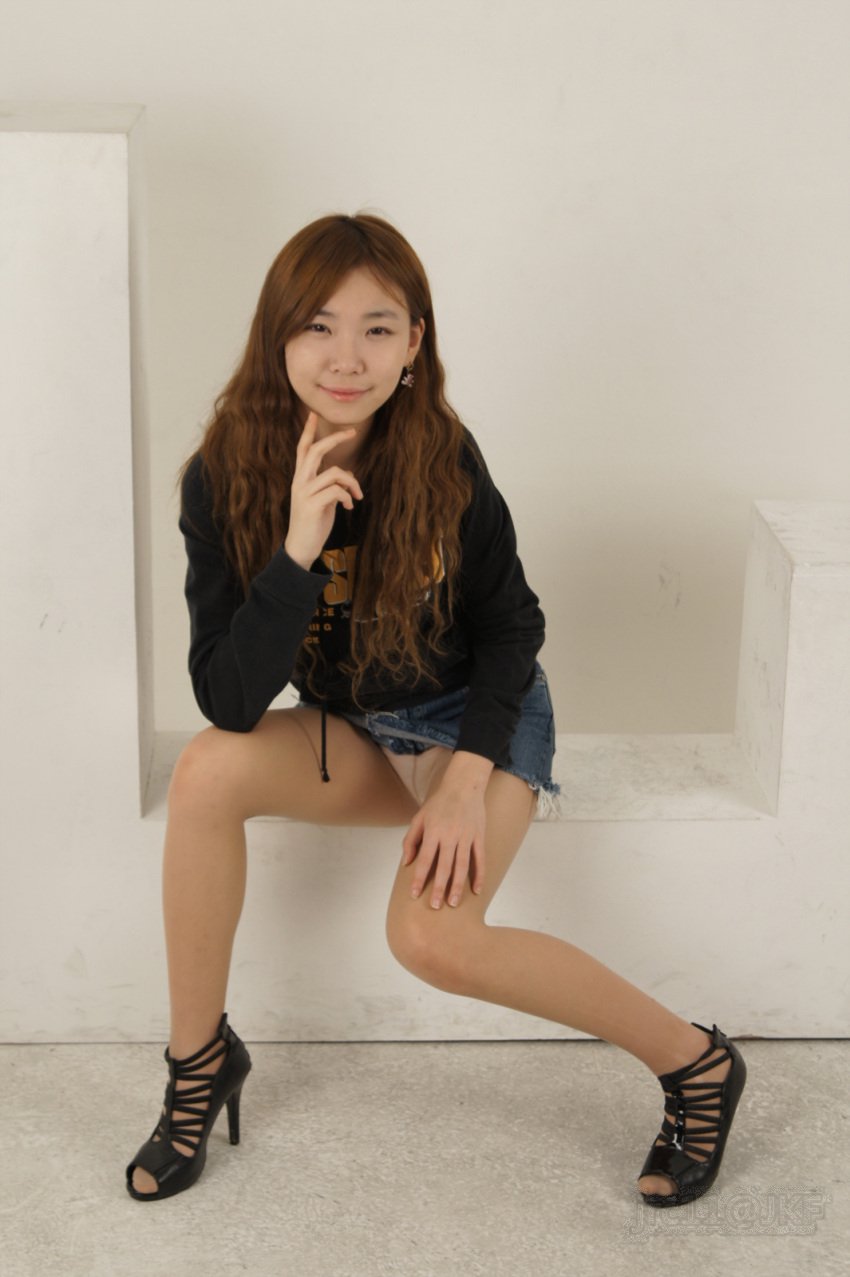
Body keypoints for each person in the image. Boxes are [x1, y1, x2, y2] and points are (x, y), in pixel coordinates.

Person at [125, 212, 746, 1207]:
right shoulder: (223, 474)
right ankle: (199, 1064)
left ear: (414, 342)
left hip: (477, 719)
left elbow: (514, 626)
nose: (346, 356)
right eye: (318, 325)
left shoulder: (442, 458)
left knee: (433, 939)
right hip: (357, 731)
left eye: (378, 327)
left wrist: (464, 778)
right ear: (277, 333)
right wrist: (295, 550)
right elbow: (229, 699)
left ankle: (696, 1062)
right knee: (205, 768)